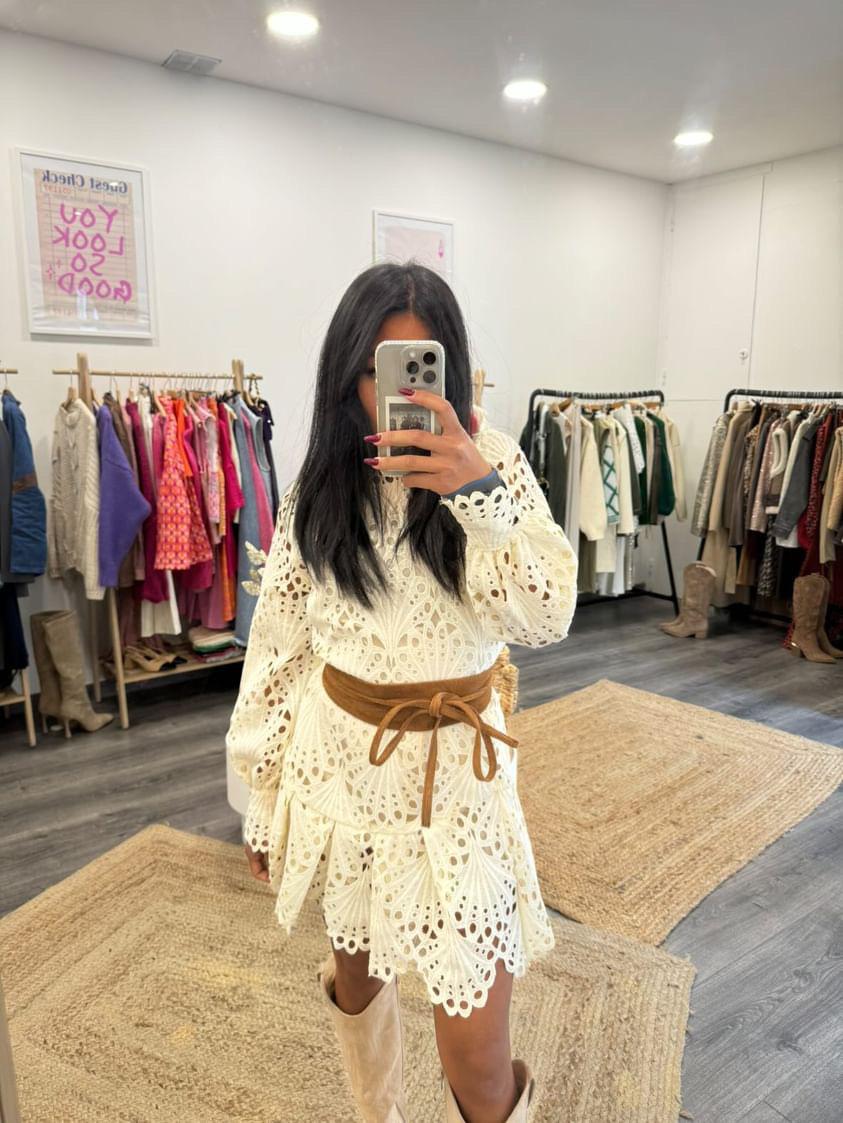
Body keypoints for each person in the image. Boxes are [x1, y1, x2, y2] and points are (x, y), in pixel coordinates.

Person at [226, 262, 578, 1123]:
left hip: (459, 786)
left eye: (420, 367)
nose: (398, 394)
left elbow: (546, 614)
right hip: (342, 775)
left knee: (478, 1060)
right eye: (376, 368)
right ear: (347, 374)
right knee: (358, 981)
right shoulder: (322, 484)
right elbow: (279, 649)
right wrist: (261, 794)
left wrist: (476, 493)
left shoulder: (495, 463)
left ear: (448, 368)